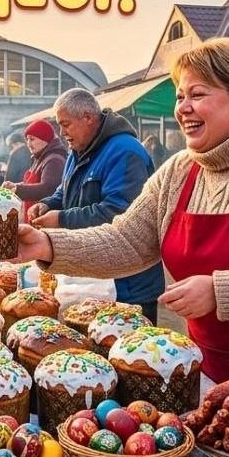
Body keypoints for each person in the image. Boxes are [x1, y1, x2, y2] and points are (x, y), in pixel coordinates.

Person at [13, 38, 229, 384]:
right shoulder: (179, 170)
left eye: (197, 95)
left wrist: (219, 291)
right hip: (217, 366)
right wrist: (48, 245)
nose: (182, 108)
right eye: (180, 97)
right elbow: (128, 241)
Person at [27, 88, 166, 321]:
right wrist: (48, 204)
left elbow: (120, 213)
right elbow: (65, 190)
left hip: (127, 286)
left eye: (66, 124)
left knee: (130, 353)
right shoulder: (78, 150)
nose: (62, 133)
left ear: (88, 118)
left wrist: (62, 219)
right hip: (92, 276)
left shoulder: (125, 152)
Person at [4, 119, 66, 216]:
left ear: (44, 139)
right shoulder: (40, 157)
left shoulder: (54, 160)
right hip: (34, 216)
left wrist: (18, 189)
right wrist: (14, 185)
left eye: (32, 139)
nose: (28, 143)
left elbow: (48, 189)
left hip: (45, 218)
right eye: (27, 139)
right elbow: (32, 182)